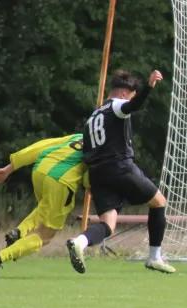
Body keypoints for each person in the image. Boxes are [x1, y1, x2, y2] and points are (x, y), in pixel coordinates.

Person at [66, 70, 175, 274]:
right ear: (124, 94)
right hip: (119, 166)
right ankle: (154, 257)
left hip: (97, 173)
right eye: (131, 96)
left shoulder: (94, 115)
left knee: (108, 223)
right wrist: (148, 88)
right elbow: (133, 106)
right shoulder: (117, 105)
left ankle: (79, 242)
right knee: (159, 202)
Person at [0, 134, 88, 278]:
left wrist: (10, 168)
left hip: (41, 167)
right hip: (61, 180)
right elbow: (89, 182)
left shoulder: (80, 136)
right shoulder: (103, 147)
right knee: (45, 235)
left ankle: (19, 231)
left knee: (45, 206)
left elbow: (42, 146)